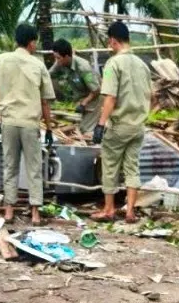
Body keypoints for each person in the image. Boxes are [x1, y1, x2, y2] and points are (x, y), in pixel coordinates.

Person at [0, 23, 55, 225]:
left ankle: (9, 211)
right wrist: (49, 128)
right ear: (31, 42)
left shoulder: (2, 60)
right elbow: (45, 101)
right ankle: (35, 213)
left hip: (9, 122)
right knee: (34, 168)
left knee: (9, 166)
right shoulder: (38, 65)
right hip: (30, 123)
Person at [91, 21, 152, 223]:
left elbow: (110, 97)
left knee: (110, 166)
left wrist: (101, 124)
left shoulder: (113, 64)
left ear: (112, 41)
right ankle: (130, 211)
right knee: (132, 168)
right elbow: (152, 95)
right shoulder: (142, 65)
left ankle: (109, 209)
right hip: (138, 126)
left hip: (119, 125)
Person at [50, 39, 102, 134]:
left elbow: (96, 90)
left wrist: (84, 103)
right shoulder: (59, 63)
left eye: (58, 58)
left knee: (84, 130)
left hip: (93, 99)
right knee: (70, 127)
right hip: (78, 100)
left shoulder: (83, 67)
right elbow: (47, 76)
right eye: (55, 58)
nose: (56, 61)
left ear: (66, 56)